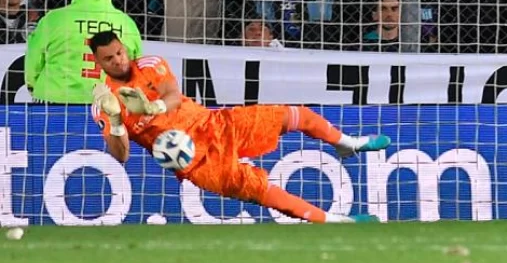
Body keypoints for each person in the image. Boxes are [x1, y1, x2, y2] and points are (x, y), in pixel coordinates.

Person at [89, 31, 388, 223]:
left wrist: (154, 107)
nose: (118, 60)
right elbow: (121, 156)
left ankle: (347, 142)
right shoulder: (105, 103)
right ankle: (339, 222)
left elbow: (173, 95)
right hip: (198, 163)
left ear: (125, 48)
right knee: (262, 190)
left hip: (214, 124)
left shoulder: (149, 64)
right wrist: (116, 121)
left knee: (294, 114)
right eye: (109, 59)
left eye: (119, 52)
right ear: (98, 63)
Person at [24, 0, 142, 103]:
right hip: (108, 104)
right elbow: (136, 69)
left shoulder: (54, 18)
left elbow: (33, 60)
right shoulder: (126, 23)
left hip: (54, 99)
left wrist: (34, 86)